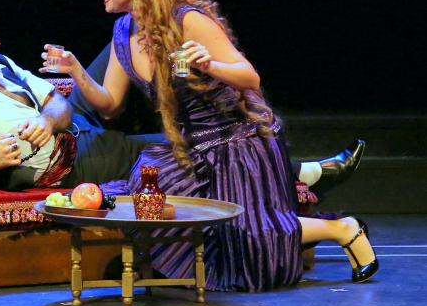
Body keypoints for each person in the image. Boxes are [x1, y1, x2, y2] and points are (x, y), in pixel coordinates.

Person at [39, 0, 377, 291]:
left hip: (236, 146)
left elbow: (250, 78)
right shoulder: (124, 30)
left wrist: (209, 64)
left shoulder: (187, 19)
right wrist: (76, 71)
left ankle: (342, 228)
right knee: (150, 201)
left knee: (249, 238)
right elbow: (109, 106)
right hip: (189, 150)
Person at [0, 0, 162, 192]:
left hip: (76, 124)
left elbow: (56, 100)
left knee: (129, 31)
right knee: (174, 148)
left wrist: (47, 121)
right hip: (74, 163)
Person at [66, 42, 366, 204]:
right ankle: (303, 172)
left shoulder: (134, 24)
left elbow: (63, 104)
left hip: (69, 120)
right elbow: (110, 109)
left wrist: (65, 84)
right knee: (185, 148)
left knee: (127, 39)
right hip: (71, 153)